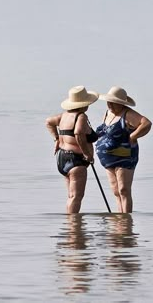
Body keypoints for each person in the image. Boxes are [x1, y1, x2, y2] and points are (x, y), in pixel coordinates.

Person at [95, 86, 152, 213]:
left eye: (113, 103)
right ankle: (120, 220)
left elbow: (147, 123)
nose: (110, 105)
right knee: (116, 191)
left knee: (123, 190)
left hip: (124, 156)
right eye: (108, 102)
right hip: (108, 159)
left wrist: (133, 136)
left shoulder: (128, 114)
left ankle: (126, 220)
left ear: (121, 103)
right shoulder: (107, 113)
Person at [45, 85, 99, 214]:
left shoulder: (63, 116)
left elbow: (48, 122)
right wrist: (87, 154)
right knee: (76, 196)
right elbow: (79, 133)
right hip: (76, 160)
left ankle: (71, 226)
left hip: (62, 158)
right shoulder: (81, 117)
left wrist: (57, 139)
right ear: (84, 104)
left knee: (71, 196)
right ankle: (74, 228)